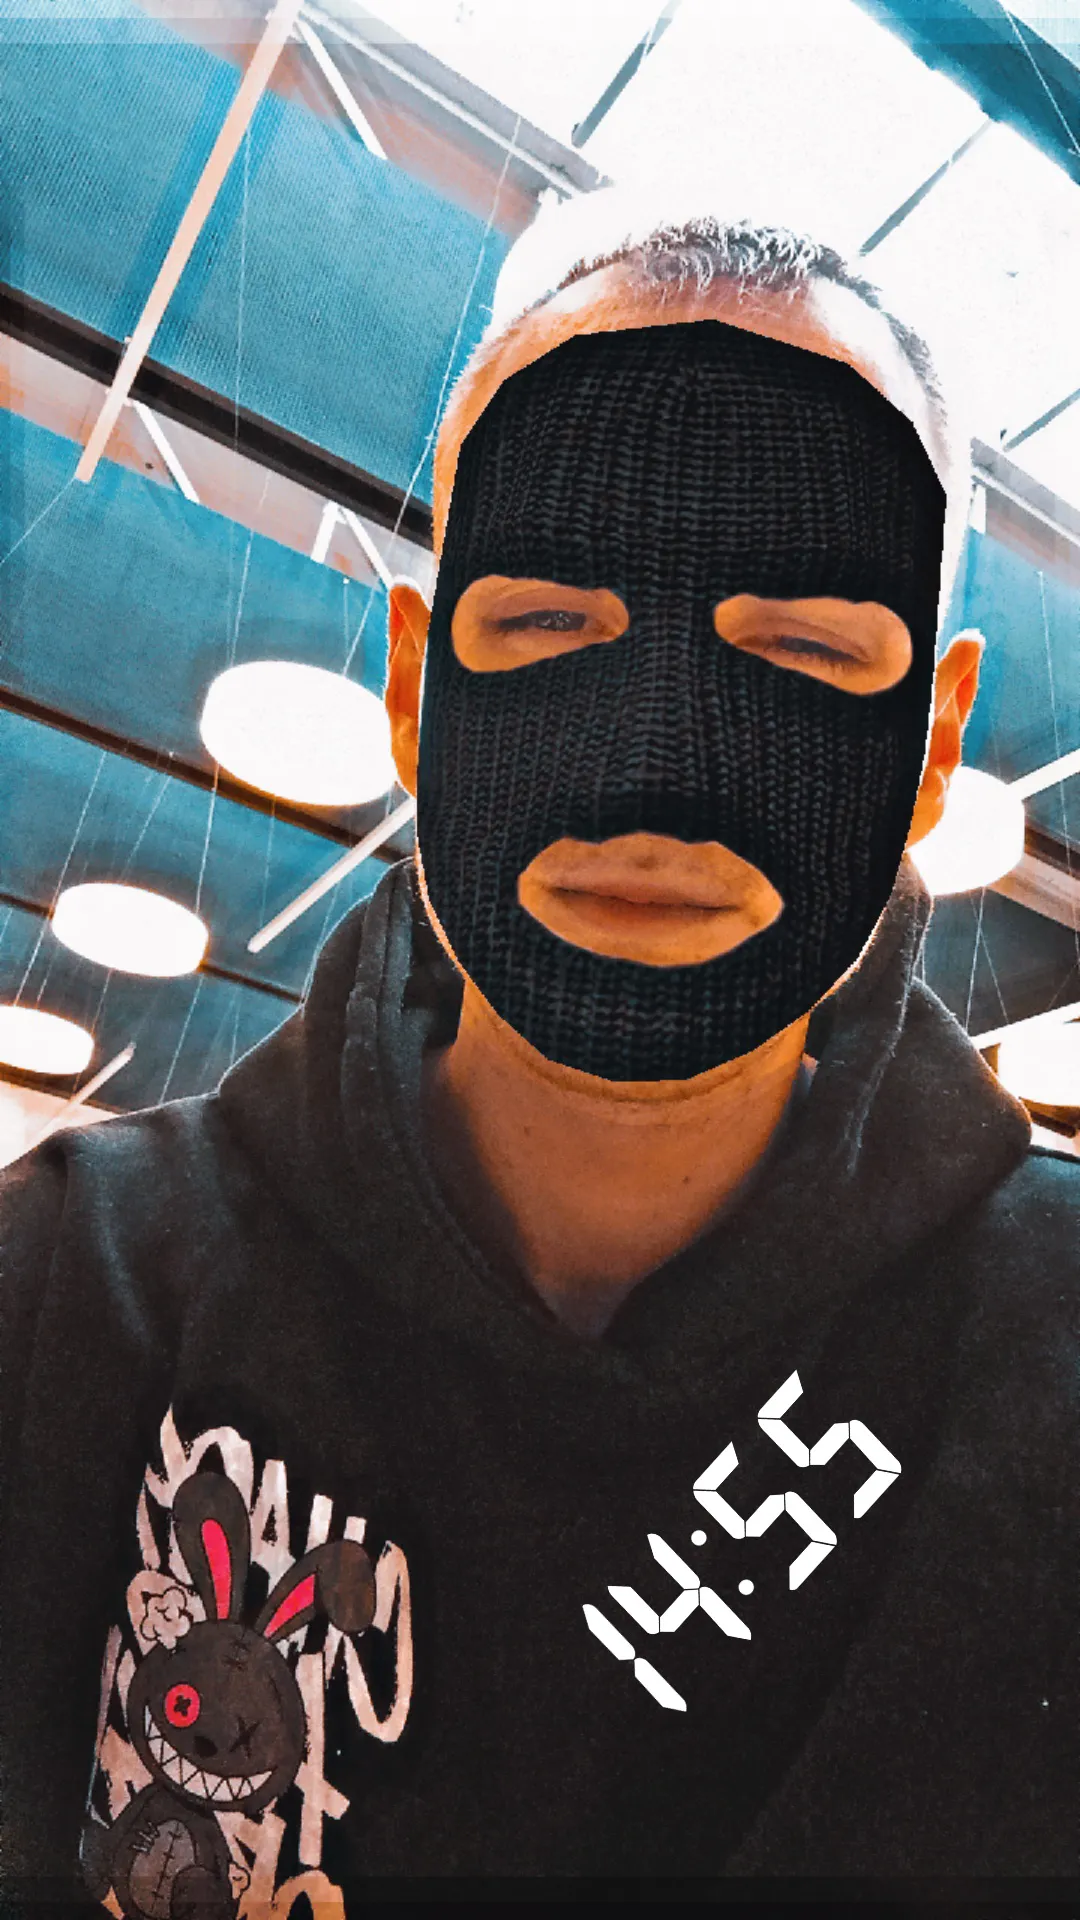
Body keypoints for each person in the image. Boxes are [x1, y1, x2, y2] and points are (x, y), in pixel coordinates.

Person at [1, 189, 1076, 1906]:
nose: (657, 783)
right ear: (414, 688)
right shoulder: (67, 1284)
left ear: (933, 744)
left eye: (806, 649)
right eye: (551, 625)